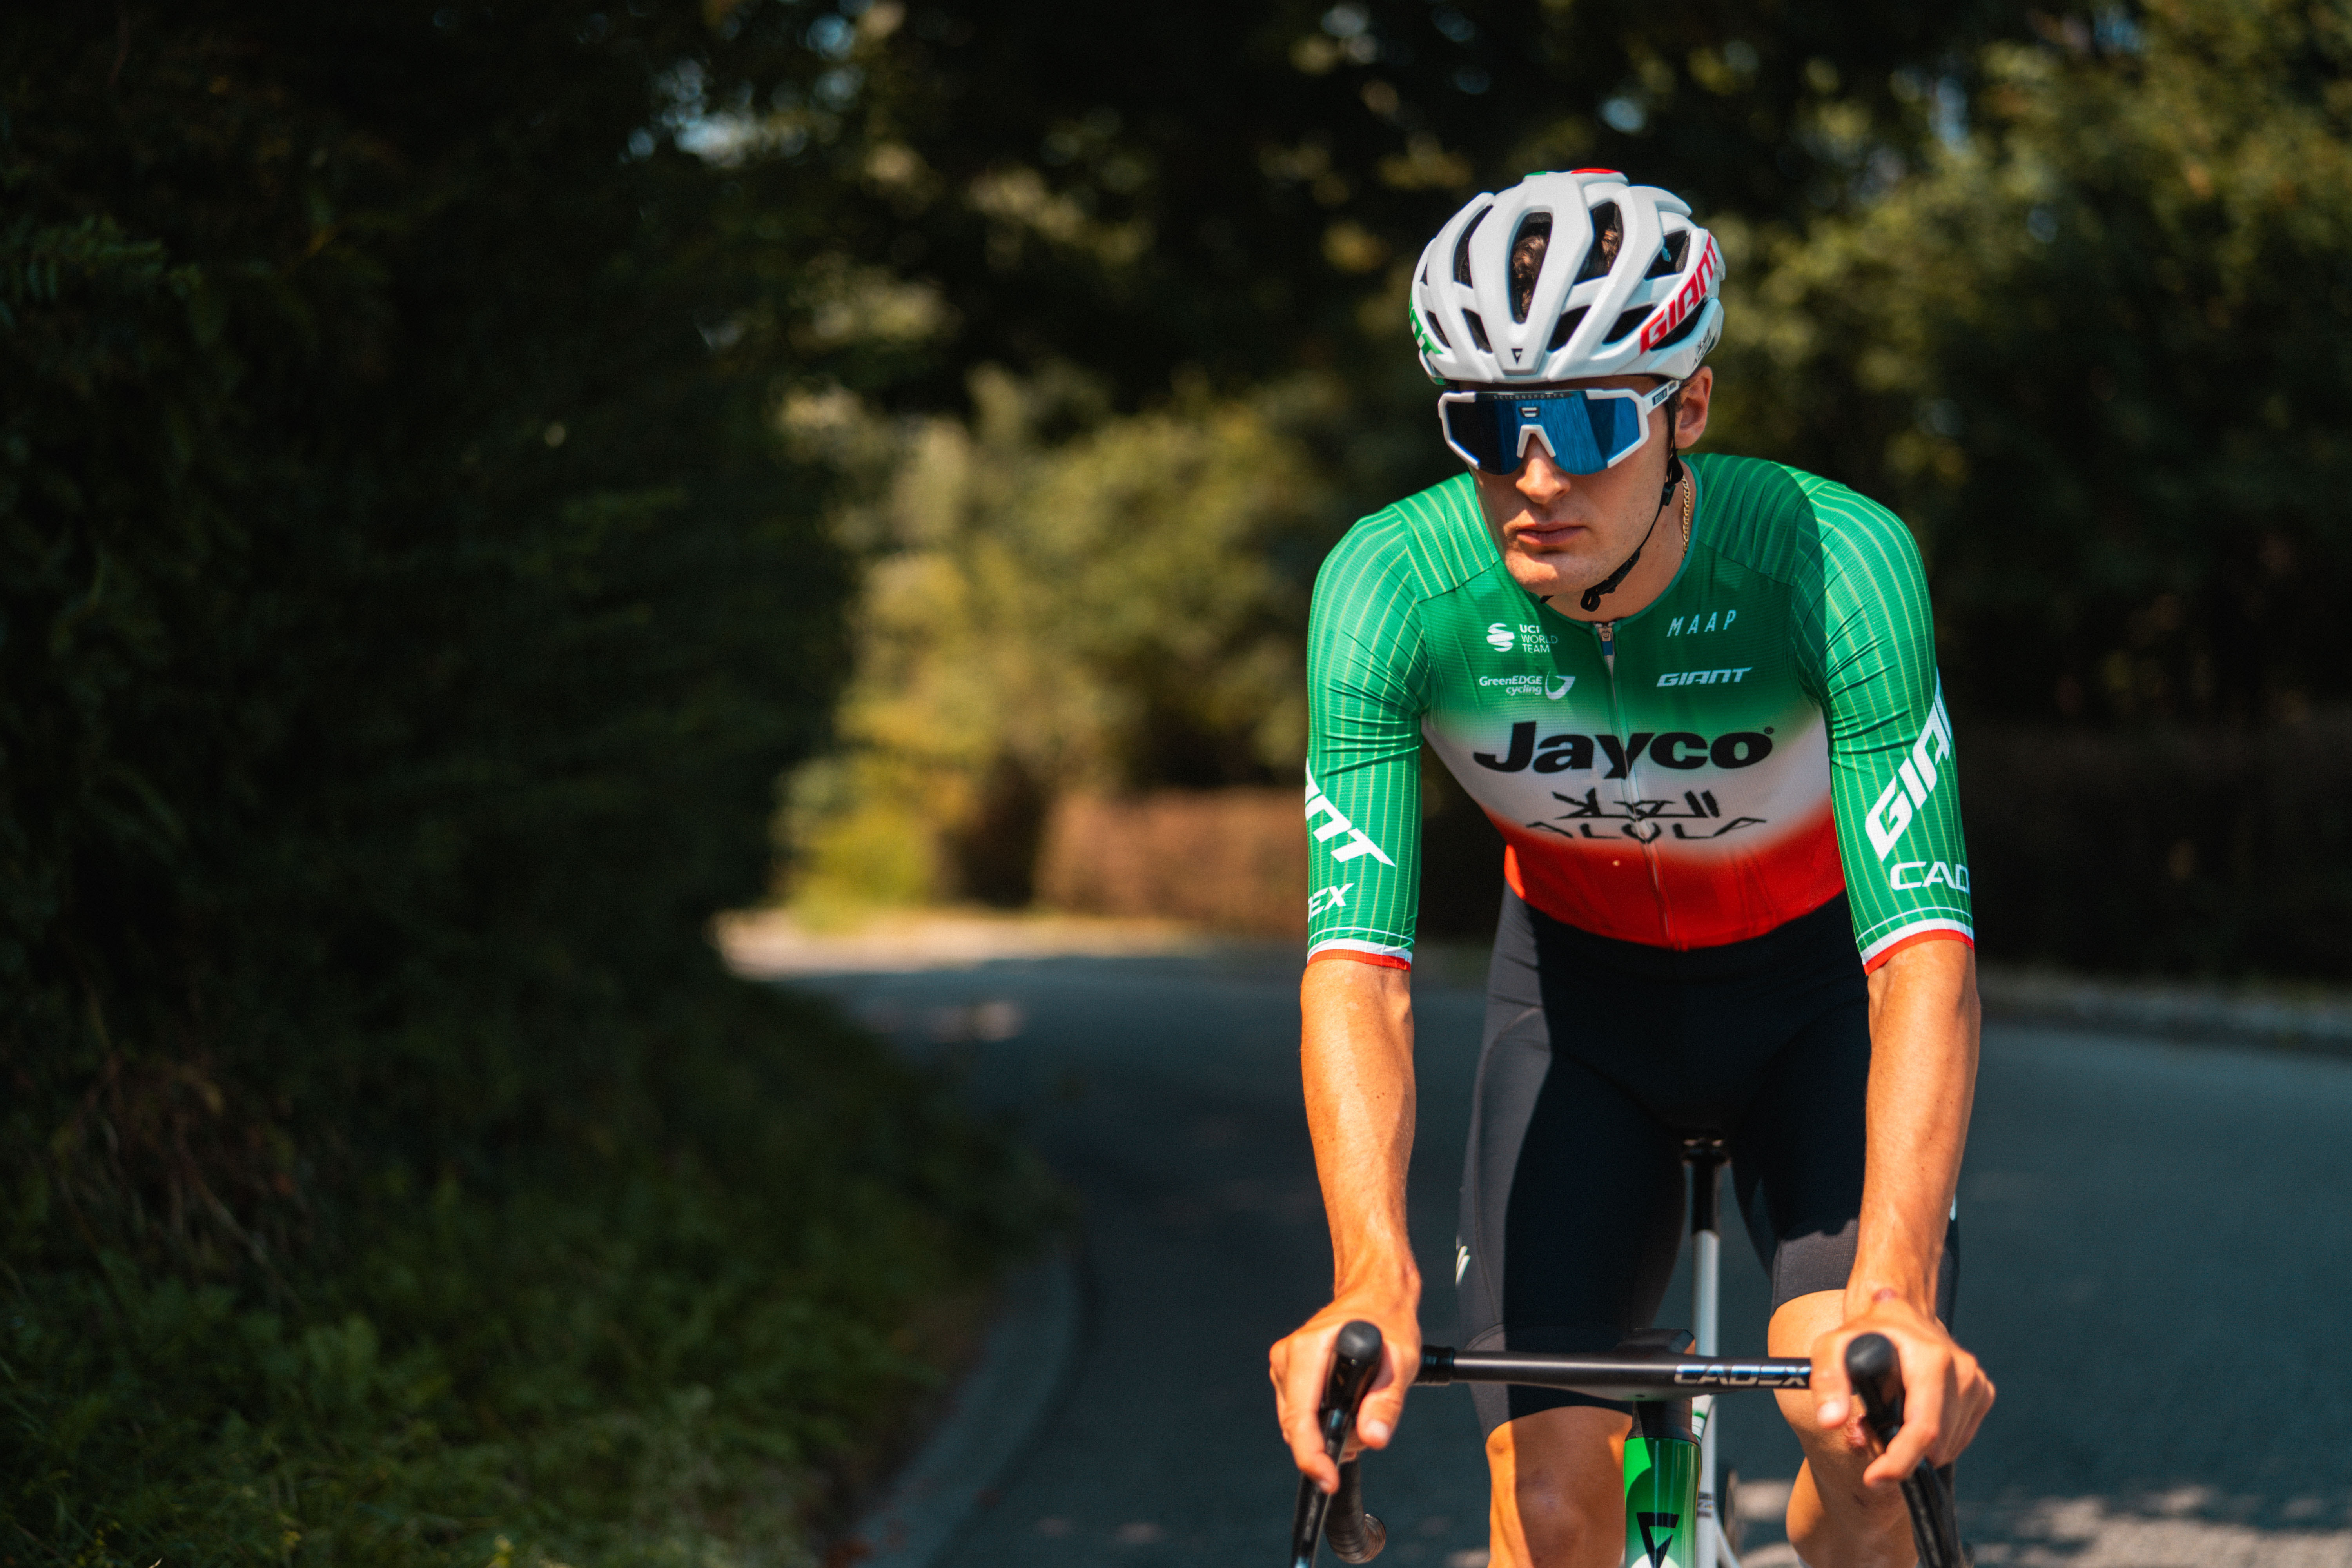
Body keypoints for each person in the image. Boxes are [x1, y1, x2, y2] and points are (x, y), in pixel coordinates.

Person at [1269, 170, 1995, 1568]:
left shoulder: (1832, 561)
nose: (1536, 480)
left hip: (1814, 1010)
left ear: (1691, 411)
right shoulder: (1390, 589)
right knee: (1548, 1511)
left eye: (1595, 422)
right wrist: (1371, 1273)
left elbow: (1924, 954)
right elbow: (1356, 973)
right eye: (1490, 428)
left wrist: (1897, 1290)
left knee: (1866, 1443)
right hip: (1581, 1018)